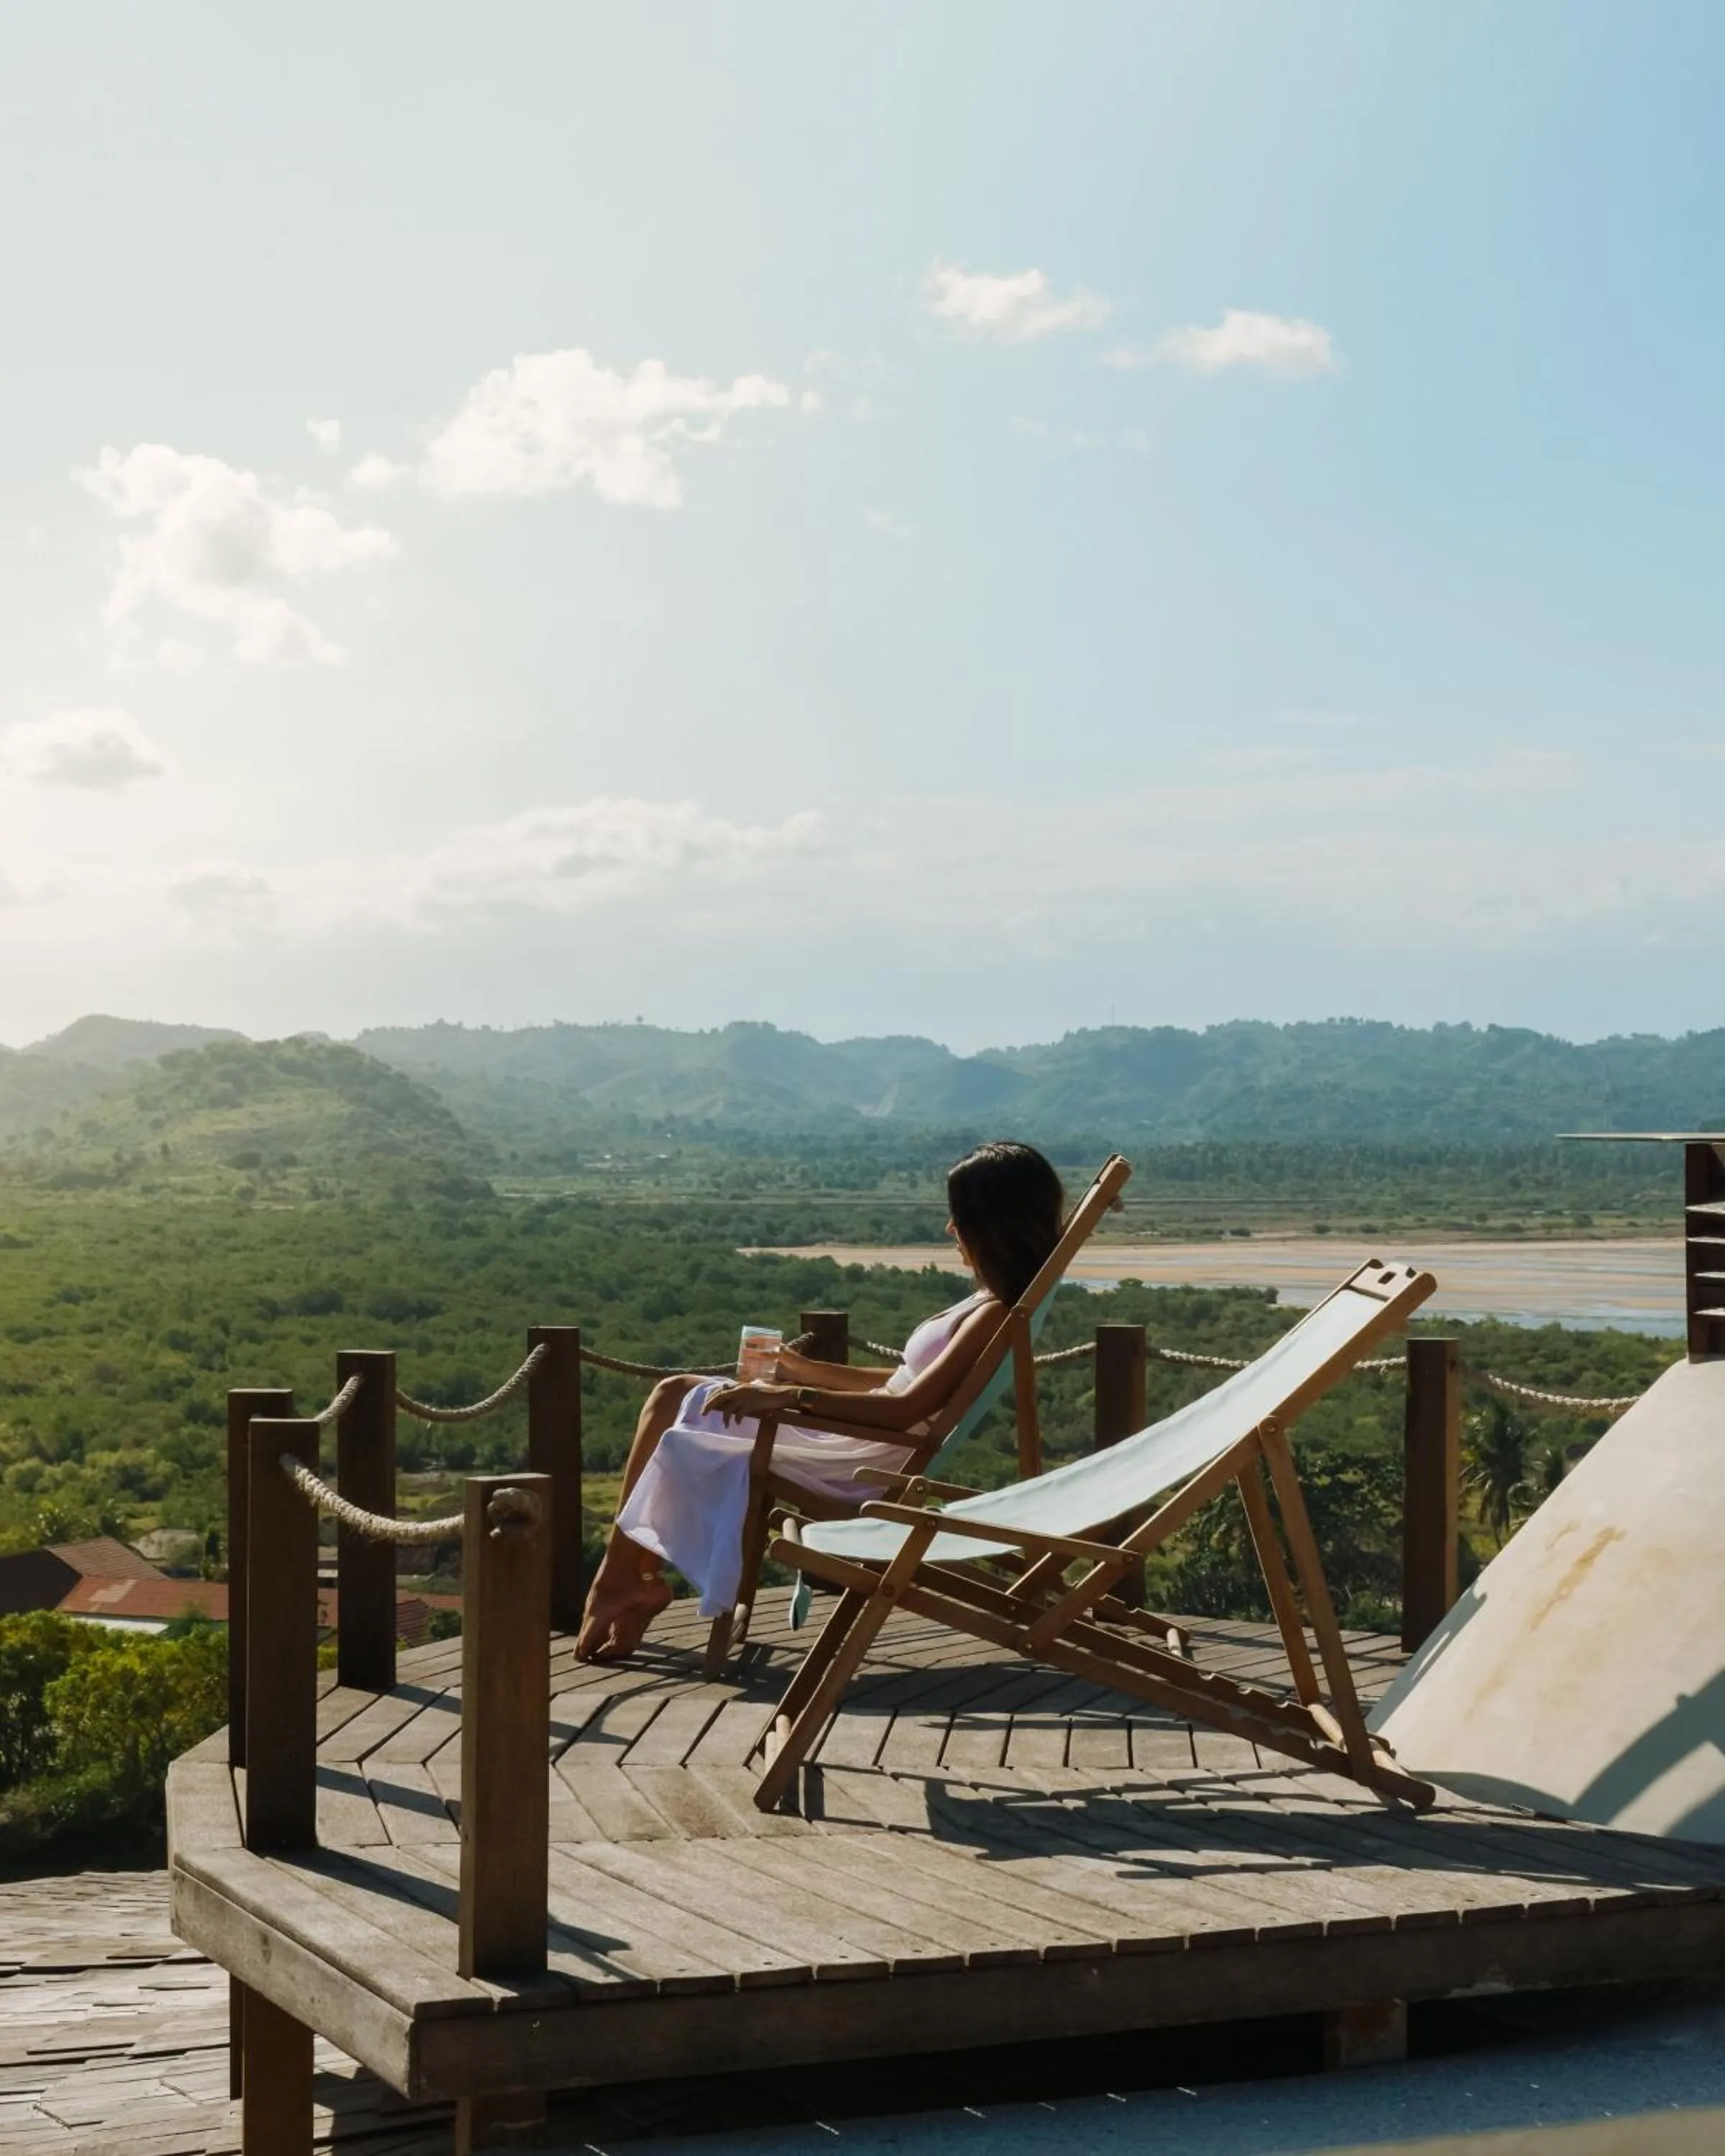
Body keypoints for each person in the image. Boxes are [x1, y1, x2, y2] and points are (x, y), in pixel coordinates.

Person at [574, 1140, 1067, 1662]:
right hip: (865, 1438)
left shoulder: (994, 1315)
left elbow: (904, 1409)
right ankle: (631, 1577)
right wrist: (803, 1369)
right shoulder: (985, 1302)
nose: (950, 1229)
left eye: (959, 1216)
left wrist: (793, 1396)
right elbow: (902, 1382)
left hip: (863, 1461)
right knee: (675, 1394)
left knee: (683, 1400)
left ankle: (621, 1582)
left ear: (993, 1223)